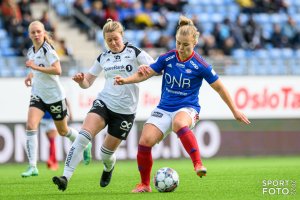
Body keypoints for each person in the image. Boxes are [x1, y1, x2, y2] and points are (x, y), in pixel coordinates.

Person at [114, 15, 251, 193]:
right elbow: (146, 73)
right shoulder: (168, 57)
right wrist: (126, 80)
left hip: (188, 108)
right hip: (164, 108)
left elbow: (220, 88)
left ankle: (198, 164)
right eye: (178, 43)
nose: (180, 48)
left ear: (194, 43)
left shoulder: (200, 65)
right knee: (145, 141)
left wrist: (235, 110)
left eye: (185, 45)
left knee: (179, 123)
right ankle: (145, 185)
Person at [52, 18, 154, 191]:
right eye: (109, 40)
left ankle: (108, 167)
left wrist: (148, 70)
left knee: (104, 155)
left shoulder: (135, 52)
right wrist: (80, 81)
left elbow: (155, 68)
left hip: (125, 112)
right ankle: (65, 177)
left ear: (122, 35)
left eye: (116, 38)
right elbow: (87, 82)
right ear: (105, 41)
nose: (113, 43)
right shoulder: (103, 57)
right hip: (104, 103)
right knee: (83, 136)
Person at [21, 20, 92, 178]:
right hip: (38, 94)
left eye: (39, 31)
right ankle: (32, 166)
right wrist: (30, 75)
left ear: (44, 32)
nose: (36, 34)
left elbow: (57, 70)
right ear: (29, 34)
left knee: (63, 131)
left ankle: (85, 144)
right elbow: (37, 69)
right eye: (33, 32)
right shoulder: (30, 51)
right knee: (31, 125)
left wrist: (34, 68)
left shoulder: (48, 50)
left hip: (54, 96)